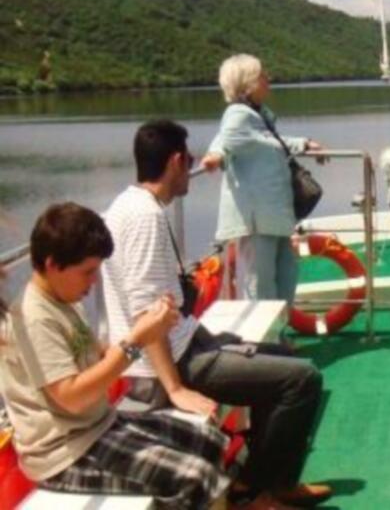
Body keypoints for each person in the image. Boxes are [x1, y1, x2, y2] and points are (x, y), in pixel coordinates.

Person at [101, 119, 330, 508]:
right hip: (177, 362)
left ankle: (261, 481)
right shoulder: (144, 217)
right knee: (302, 379)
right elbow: (144, 312)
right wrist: (175, 389)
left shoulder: (131, 205)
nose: (191, 167)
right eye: (188, 159)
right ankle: (265, 491)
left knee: (284, 359)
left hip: (187, 342)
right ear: (175, 161)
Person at [0, 203, 230, 509]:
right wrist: (137, 340)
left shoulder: (64, 298)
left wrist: (152, 324)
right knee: (194, 477)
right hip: (65, 453)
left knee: (209, 441)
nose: (94, 282)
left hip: (96, 425)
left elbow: (99, 355)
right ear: (53, 265)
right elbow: (71, 397)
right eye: (88, 272)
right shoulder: (34, 318)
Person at [201, 53, 324, 303]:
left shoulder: (257, 115)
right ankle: (264, 341)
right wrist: (216, 154)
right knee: (261, 282)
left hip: (273, 213)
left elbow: (267, 143)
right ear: (247, 84)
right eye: (261, 76)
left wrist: (303, 143)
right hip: (257, 217)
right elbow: (228, 138)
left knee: (285, 274)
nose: (268, 79)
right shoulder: (238, 113)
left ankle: (278, 336)